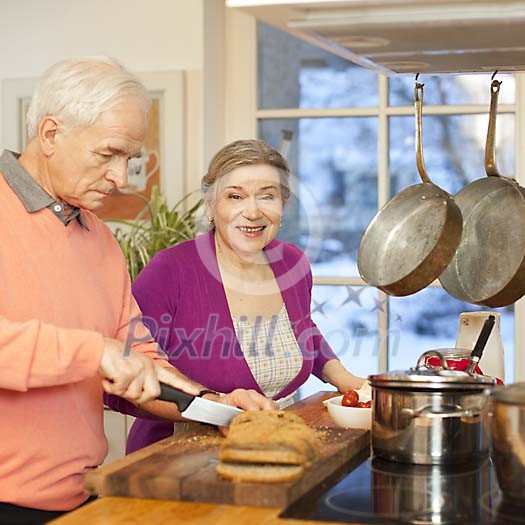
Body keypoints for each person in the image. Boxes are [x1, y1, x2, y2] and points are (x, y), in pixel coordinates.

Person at [0, 58, 273, 525]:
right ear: (50, 134)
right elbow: (98, 354)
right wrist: (95, 351)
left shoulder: (100, 240)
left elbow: (137, 360)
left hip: (82, 495)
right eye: (108, 154)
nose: (121, 178)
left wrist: (209, 402)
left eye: (130, 158)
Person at [121, 139, 368, 454]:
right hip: (177, 453)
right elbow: (129, 373)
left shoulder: (291, 262)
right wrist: (215, 408)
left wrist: (345, 379)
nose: (252, 212)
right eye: (235, 196)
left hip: (272, 443)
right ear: (210, 206)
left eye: (267, 196)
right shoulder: (170, 270)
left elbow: (300, 329)